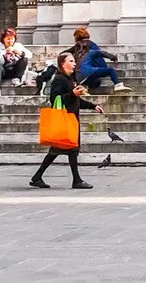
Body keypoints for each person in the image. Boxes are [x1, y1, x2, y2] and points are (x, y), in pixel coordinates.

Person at [31, 57, 99, 190]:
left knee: (59, 150)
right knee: (71, 149)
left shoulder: (71, 80)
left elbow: (76, 101)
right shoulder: (59, 79)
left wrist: (93, 106)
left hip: (72, 118)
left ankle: (37, 177)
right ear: (63, 64)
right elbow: (55, 98)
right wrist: (72, 94)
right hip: (65, 118)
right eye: (71, 61)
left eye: (74, 61)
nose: (74, 64)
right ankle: (76, 180)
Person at [69, 27, 127, 93]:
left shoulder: (75, 53)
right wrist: (114, 58)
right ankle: (118, 85)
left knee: (97, 82)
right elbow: (101, 54)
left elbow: (66, 53)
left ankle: (84, 86)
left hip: (79, 77)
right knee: (111, 70)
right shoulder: (91, 51)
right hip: (89, 71)